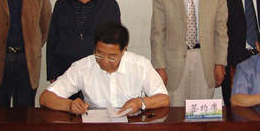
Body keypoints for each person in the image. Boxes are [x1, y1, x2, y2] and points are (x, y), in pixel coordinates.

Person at [151, 0, 228, 106]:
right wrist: (159, 66)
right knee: (175, 110)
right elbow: (157, 34)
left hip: (205, 59)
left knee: (201, 110)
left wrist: (220, 63)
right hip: (173, 61)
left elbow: (221, 32)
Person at [40, 22, 169, 114]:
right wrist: (70, 105)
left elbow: (164, 99)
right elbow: (46, 98)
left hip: (132, 127)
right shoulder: (82, 67)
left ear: (124, 50)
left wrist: (140, 102)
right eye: (99, 54)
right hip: (96, 129)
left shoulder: (140, 65)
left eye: (112, 56)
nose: (105, 61)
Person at [46, 0, 120, 82]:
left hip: (99, 71)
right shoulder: (62, 4)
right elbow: (53, 41)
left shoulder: (109, 4)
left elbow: (117, 42)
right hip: (66, 71)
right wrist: (53, 75)